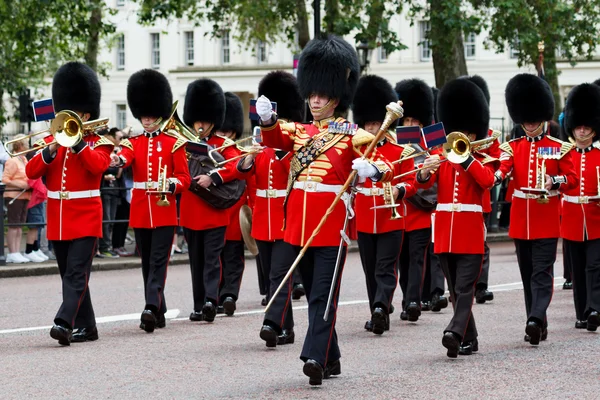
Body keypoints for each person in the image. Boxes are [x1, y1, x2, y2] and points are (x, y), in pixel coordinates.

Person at [256, 35, 394, 386]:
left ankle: (315, 356)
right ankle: (329, 356)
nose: (315, 100)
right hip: (298, 226)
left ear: (336, 97)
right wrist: (269, 119)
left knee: (322, 293)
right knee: (298, 286)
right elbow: (274, 140)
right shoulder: (299, 132)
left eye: (321, 95)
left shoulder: (354, 137)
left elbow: (385, 163)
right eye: (312, 94)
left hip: (331, 227)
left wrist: (371, 171)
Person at [26, 61, 114, 345]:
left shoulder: (99, 142)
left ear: (86, 114)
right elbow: (31, 172)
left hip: (86, 216)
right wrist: (51, 148)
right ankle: (88, 327)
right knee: (70, 276)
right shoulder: (53, 140)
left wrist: (77, 144)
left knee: (76, 273)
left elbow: (98, 166)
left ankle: (64, 322)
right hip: (59, 217)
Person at [417, 78, 499, 357]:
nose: (462, 136)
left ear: (475, 133)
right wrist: (425, 171)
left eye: (467, 131)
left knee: (465, 287)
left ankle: (453, 331)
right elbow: (424, 184)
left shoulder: (481, 158)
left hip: (470, 230)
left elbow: (488, 181)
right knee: (454, 288)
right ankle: (469, 339)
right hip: (444, 230)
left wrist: (467, 159)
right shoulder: (441, 154)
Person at [495, 73, 577, 345]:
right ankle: (537, 319)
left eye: (533, 119)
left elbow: (572, 178)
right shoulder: (512, 147)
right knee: (527, 273)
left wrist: (556, 181)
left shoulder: (559, 148)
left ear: (542, 117)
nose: (529, 124)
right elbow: (503, 168)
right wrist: (498, 175)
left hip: (546, 216)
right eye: (525, 119)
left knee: (542, 271)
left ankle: (533, 318)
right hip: (521, 218)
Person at [111, 69, 191, 333]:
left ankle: (149, 307)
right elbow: (125, 155)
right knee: (147, 262)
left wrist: (171, 185)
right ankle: (159, 310)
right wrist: (118, 159)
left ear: (159, 114)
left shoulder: (174, 143)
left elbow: (185, 178)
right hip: (142, 210)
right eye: (143, 114)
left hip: (164, 209)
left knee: (158, 261)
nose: (146, 119)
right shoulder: (133, 143)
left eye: (150, 114)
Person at [239, 70, 304, 347]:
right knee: (271, 277)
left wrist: (281, 151)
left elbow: (298, 175)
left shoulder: (296, 147)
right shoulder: (261, 146)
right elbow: (245, 174)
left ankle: (271, 323)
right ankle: (286, 328)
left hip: (286, 219)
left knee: (279, 274)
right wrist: (246, 161)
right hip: (263, 220)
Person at [352, 74, 416, 335]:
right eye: (368, 124)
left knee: (385, 266)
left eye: (376, 123)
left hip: (391, 216)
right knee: (370, 270)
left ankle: (381, 306)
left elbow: (411, 183)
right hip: (366, 216)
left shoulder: (401, 151)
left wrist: (400, 190)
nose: (371, 128)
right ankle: (377, 313)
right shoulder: (355, 152)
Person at [180, 79, 245, 323]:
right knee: (196, 261)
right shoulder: (184, 144)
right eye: (197, 120)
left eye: (205, 121)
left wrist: (213, 177)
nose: (201, 125)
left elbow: (237, 167)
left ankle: (210, 300)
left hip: (215, 212)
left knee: (211, 260)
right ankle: (199, 305)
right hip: (190, 210)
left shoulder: (224, 145)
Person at [394, 78, 447, 320]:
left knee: (418, 258)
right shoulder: (395, 138)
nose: (411, 124)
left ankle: (414, 300)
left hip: (422, 208)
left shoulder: (433, 136)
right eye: (407, 120)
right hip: (400, 207)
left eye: (415, 120)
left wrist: (428, 164)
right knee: (403, 261)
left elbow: (440, 161)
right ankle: (408, 299)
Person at [560, 83, 600, 331]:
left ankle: (594, 308)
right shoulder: (565, 155)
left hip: (596, 217)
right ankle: (582, 312)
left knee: (595, 266)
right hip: (573, 216)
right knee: (577, 268)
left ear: (594, 129)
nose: (582, 130)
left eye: (586, 127)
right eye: (578, 126)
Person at [457, 75, 500, 305]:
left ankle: (481, 285)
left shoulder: (489, 136)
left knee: (480, 242)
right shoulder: (452, 133)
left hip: (479, 196)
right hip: (456, 199)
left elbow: (495, 162)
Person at [217, 92, 249, 316]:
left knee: (233, 256)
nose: (224, 135)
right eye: (221, 130)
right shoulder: (207, 150)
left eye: (227, 131)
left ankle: (230, 294)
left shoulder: (241, 152)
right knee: (214, 257)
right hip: (214, 210)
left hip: (235, 210)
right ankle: (216, 294)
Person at [3, 135, 32, 263]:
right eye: (26, 144)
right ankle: (12, 252)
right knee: (14, 225)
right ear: (20, 145)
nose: (28, 147)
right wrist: (20, 184)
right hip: (14, 196)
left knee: (19, 225)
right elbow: (5, 179)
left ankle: (17, 251)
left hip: (24, 195)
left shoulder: (23, 159)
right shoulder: (13, 160)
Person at [98, 128, 123, 258]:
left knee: (111, 220)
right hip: (105, 190)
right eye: (119, 138)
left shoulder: (115, 151)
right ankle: (104, 247)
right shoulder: (103, 150)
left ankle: (107, 246)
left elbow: (118, 174)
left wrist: (120, 160)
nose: (121, 141)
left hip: (114, 190)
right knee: (106, 220)